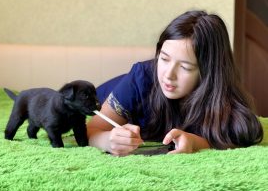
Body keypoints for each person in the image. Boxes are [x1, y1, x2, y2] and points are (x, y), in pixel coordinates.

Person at [87, 10, 263, 156]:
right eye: (164, 59)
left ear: (208, 73)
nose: (168, 75)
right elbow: (93, 128)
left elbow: (243, 136)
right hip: (97, 96)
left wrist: (197, 142)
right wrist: (108, 141)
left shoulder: (223, 97)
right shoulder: (141, 78)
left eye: (185, 67)